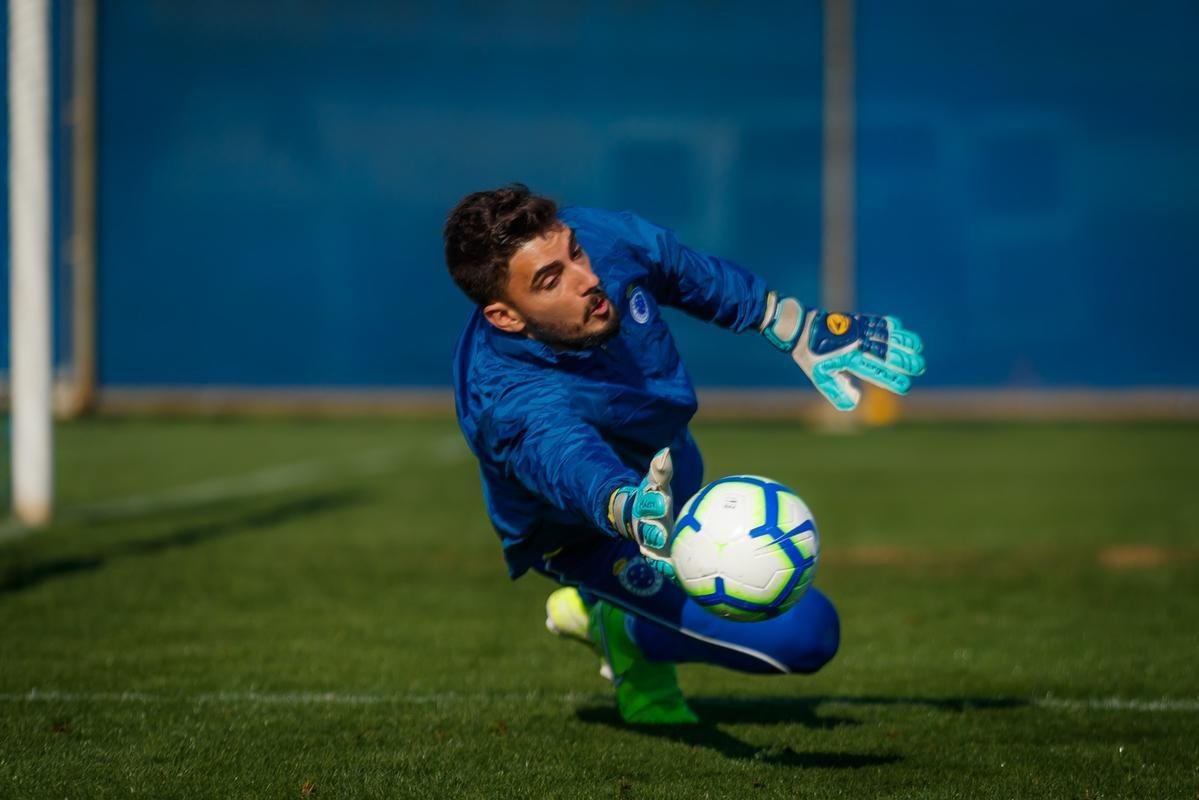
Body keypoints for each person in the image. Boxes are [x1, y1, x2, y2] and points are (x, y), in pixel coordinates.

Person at [446, 184, 924, 724]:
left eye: (574, 253)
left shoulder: (596, 238)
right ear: (506, 316)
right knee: (808, 636)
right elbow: (565, 458)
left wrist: (790, 324)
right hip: (584, 531)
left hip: (666, 464)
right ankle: (618, 624)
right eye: (550, 280)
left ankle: (616, 618)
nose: (586, 278)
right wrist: (625, 505)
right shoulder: (506, 397)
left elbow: (673, 265)